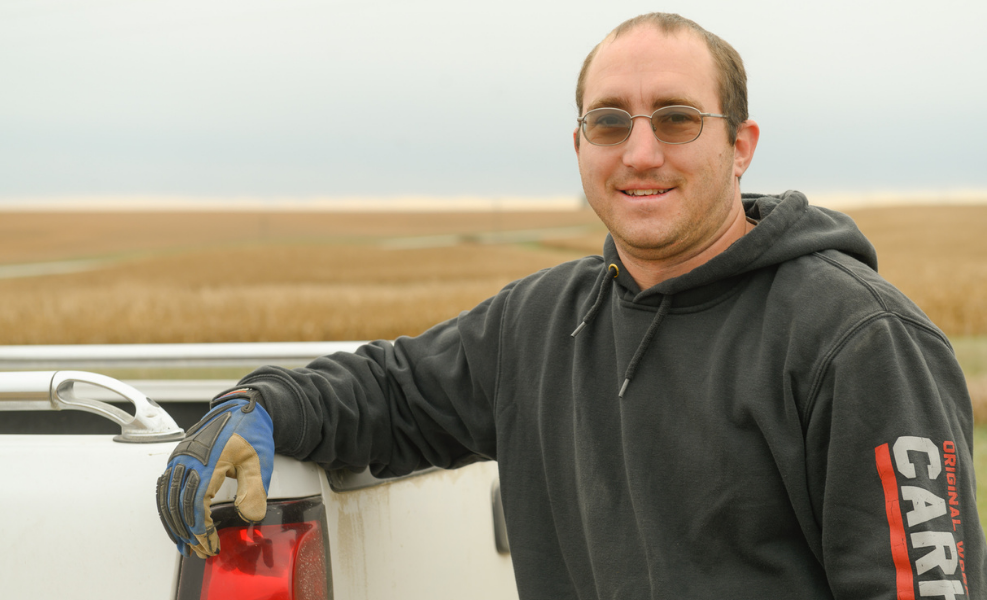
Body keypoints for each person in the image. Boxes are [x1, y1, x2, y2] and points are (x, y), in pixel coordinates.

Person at [156, 12, 986, 599]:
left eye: (676, 118)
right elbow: (392, 394)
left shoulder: (858, 341)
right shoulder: (543, 325)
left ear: (741, 146)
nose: (642, 150)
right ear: (580, 144)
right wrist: (256, 403)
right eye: (609, 121)